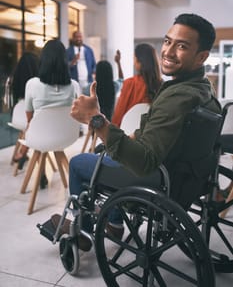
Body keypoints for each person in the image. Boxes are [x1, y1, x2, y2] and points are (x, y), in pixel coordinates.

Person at [67, 13, 221, 251]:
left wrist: (95, 119)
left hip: (154, 179)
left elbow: (144, 161)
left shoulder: (178, 96)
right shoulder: (203, 90)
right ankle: (115, 222)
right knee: (112, 153)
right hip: (185, 177)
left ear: (201, 57)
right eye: (168, 41)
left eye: (181, 46)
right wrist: (130, 137)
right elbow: (158, 134)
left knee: (78, 162)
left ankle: (84, 230)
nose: (168, 51)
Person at [17, 39, 81, 188]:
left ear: (43, 60)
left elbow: (29, 118)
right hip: (66, 138)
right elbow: (77, 114)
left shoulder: (32, 84)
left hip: (38, 138)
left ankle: (26, 157)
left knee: (36, 135)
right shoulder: (74, 86)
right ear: (64, 61)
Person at [112, 43, 162, 126]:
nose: (133, 62)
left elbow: (119, 115)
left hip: (128, 134)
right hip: (152, 133)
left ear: (140, 61)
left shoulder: (130, 83)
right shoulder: (161, 85)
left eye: (134, 58)